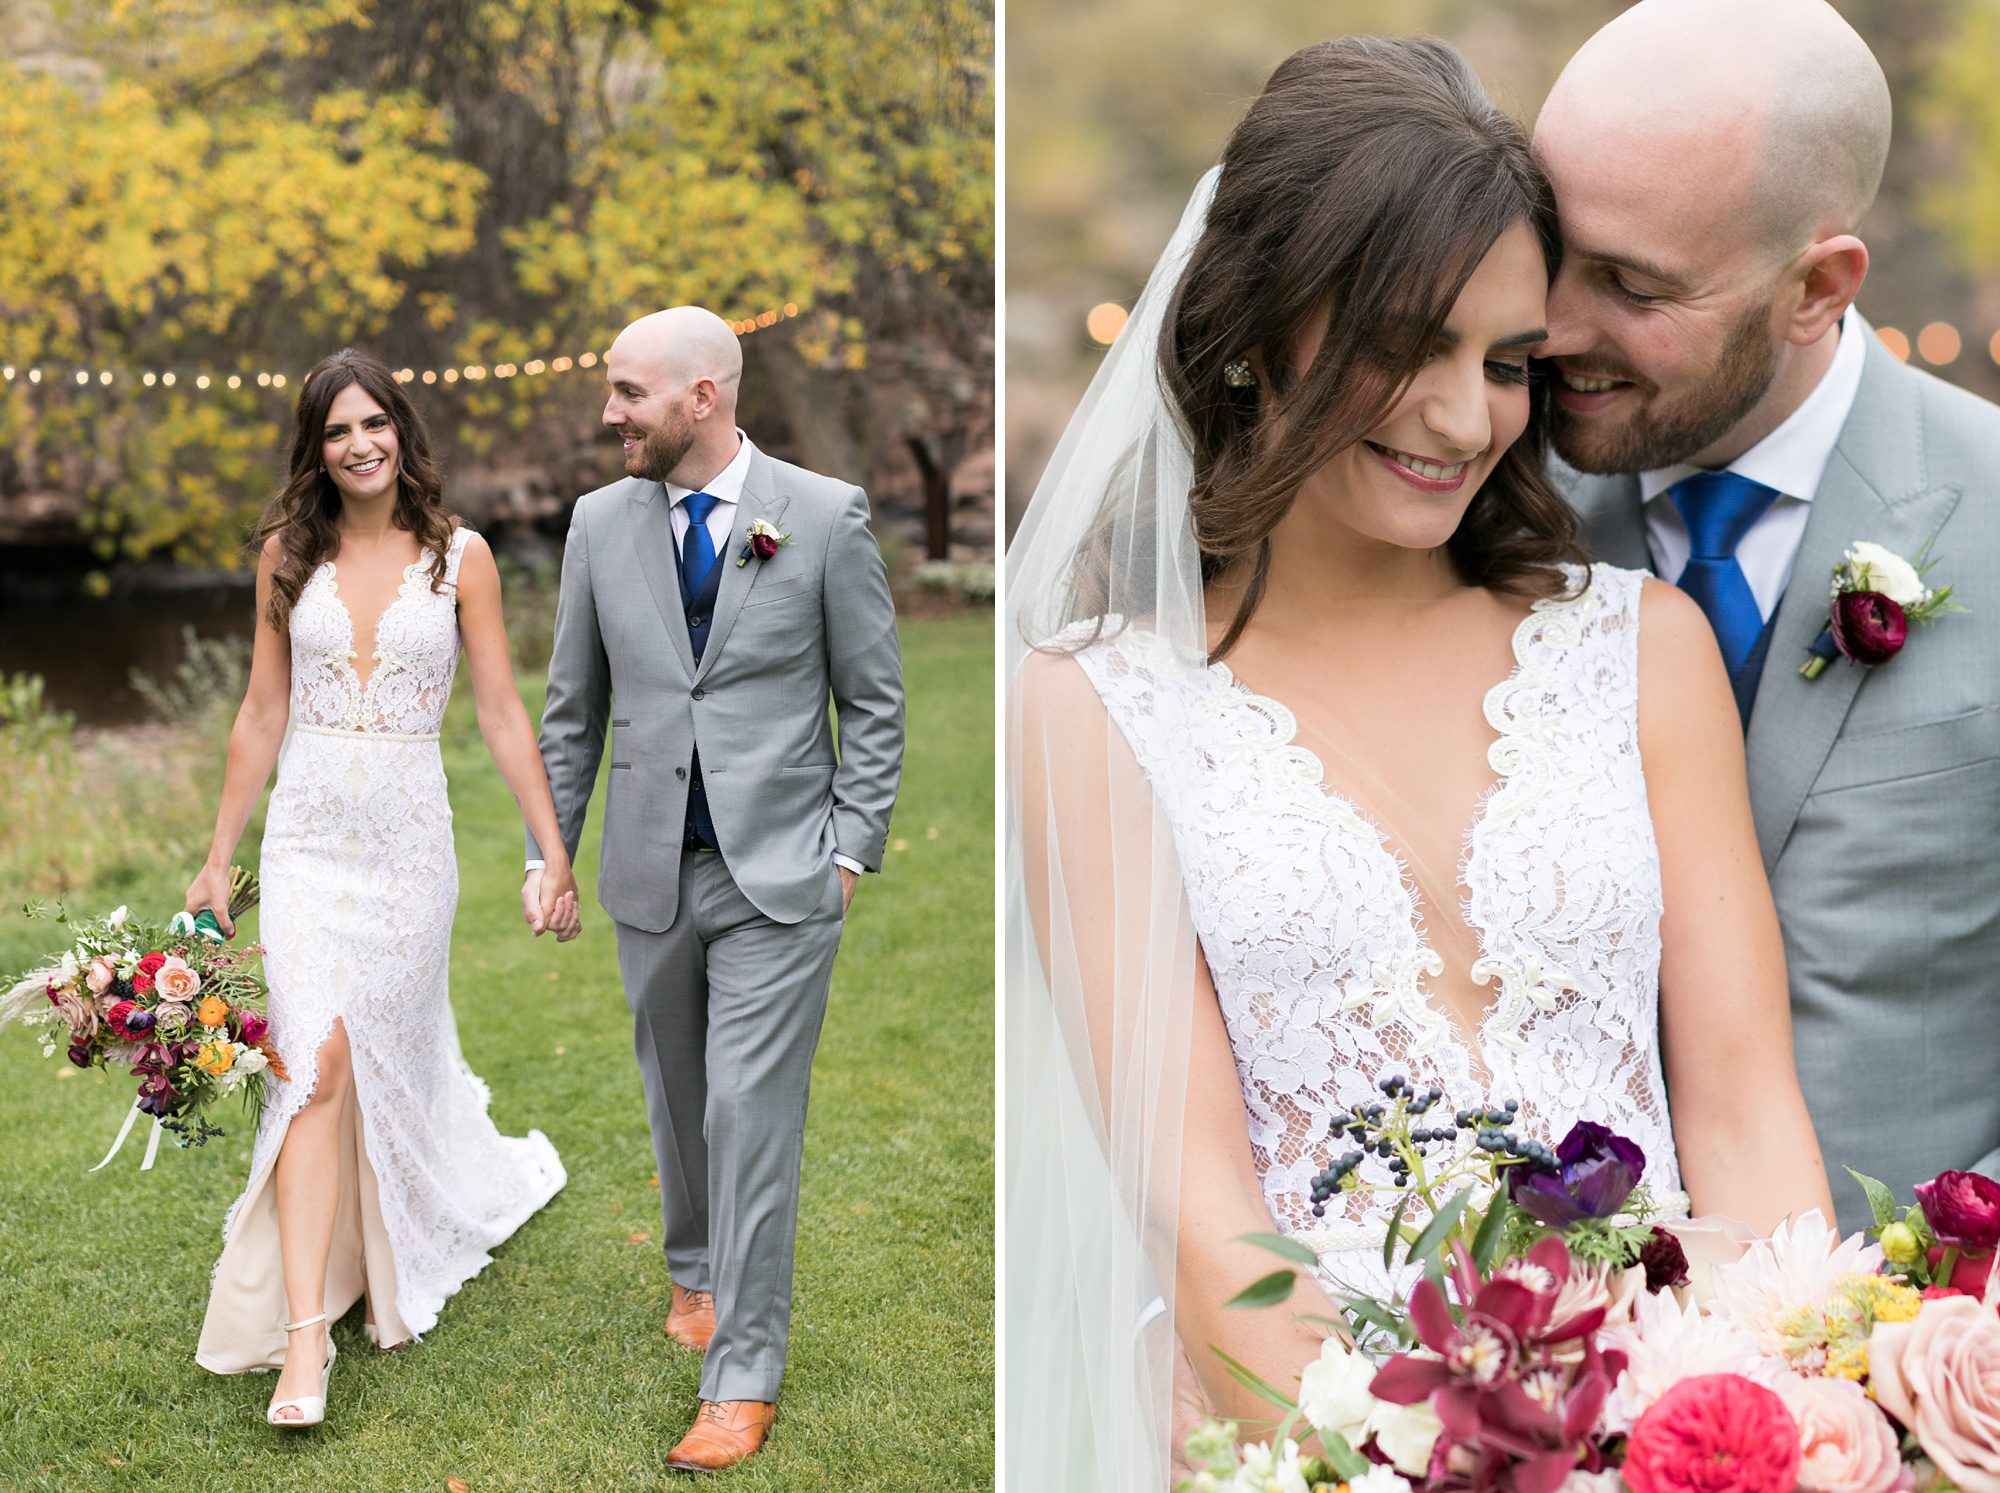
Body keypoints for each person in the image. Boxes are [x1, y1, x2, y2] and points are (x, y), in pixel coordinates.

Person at [1004, 37, 1833, 1491]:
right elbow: (1199, 1212)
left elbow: (1752, 1121)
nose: (1466, 419)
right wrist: (1379, 1466)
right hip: (1301, 1432)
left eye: (1509, 361)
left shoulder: (1643, 647)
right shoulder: (1096, 705)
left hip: (1673, 1417)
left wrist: (1762, 1425)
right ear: (1257, 327)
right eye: (1405, 345)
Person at [1535, 0, 2000, 1230]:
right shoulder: (1480, 514)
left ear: (1815, 286)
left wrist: (1939, 1325)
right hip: (1538, 1364)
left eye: (1630, 285)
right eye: (1549, 252)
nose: (1553, 328)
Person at [526, 305, 903, 1471]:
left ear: (702, 396)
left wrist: (848, 852)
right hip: (648, 864)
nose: (609, 414)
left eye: (628, 392)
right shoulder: (597, 525)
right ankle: (692, 1267)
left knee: (748, 1109)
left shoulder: (824, 517)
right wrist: (553, 851)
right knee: (673, 1086)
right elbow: (572, 709)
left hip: (779, 874)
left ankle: (739, 1372)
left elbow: (873, 701)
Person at [187, 350, 575, 1425]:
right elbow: (261, 711)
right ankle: (304, 1341)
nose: (358, 444)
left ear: (401, 430)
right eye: (335, 430)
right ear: (314, 450)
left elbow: (500, 710)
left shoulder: (463, 559)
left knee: (362, 1057)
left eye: (373, 423)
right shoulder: (284, 555)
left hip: (409, 849)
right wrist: (222, 856)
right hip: (309, 840)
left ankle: (377, 1250)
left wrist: (550, 850)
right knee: (309, 1062)